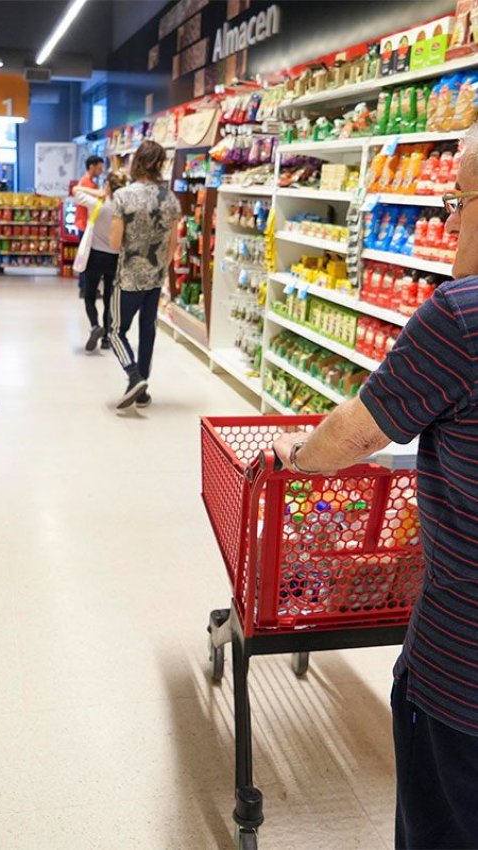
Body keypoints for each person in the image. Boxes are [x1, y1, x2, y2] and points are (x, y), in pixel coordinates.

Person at [273, 124, 478, 850]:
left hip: (462, 666)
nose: (447, 220)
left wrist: (296, 456)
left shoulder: (460, 314)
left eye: (459, 200)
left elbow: (353, 437)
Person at [108, 141, 180, 409]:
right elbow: (173, 244)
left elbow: (115, 244)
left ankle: (134, 375)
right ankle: (142, 389)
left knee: (115, 331)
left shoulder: (124, 196)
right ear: (160, 164)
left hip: (128, 277)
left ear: (137, 161)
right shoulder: (170, 198)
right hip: (155, 277)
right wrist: (160, 267)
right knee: (147, 329)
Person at [72, 170, 128, 352]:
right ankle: (106, 339)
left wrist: (99, 193)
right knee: (109, 299)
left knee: (89, 296)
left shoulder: (96, 204)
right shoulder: (125, 209)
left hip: (95, 256)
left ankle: (95, 326)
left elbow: (76, 190)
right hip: (115, 257)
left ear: (108, 186)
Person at [74, 155, 104, 298]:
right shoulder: (87, 183)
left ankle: (86, 288)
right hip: (85, 225)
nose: (101, 170)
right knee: (86, 258)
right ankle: (85, 289)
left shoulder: (88, 182)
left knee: (85, 257)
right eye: (99, 167)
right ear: (91, 167)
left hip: (85, 224)